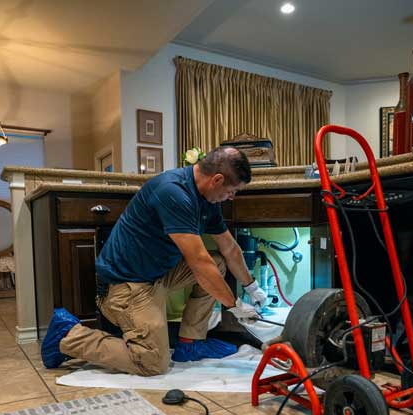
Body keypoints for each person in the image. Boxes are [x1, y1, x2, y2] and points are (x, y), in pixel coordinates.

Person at [40, 147, 267, 376]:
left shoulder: (208, 200)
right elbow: (199, 264)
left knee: (218, 263)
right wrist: (234, 306)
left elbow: (229, 248)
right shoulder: (173, 192)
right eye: (231, 191)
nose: (231, 197)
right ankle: (69, 335)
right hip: (126, 286)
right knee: (152, 361)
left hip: (158, 274)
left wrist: (252, 286)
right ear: (216, 180)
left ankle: (191, 343)